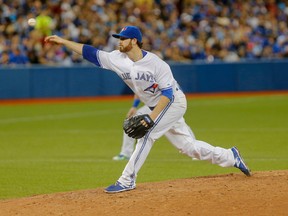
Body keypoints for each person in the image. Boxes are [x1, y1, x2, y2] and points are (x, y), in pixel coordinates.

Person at [44, 25, 251, 194]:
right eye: (119, 38)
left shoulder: (156, 64)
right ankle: (230, 156)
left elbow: (168, 94)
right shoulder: (117, 59)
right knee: (188, 147)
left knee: (146, 135)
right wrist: (63, 41)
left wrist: (150, 118)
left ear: (134, 41)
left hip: (173, 102)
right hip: (157, 105)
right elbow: (90, 52)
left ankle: (127, 180)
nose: (119, 41)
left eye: (123, 38)